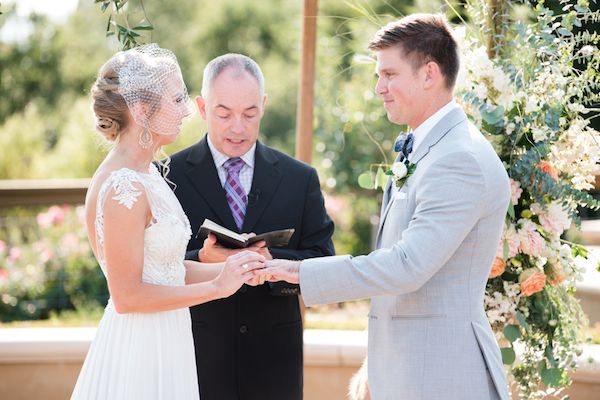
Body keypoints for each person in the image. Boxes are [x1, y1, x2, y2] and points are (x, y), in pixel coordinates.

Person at [258, 13, 511, 400]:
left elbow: (408, 266)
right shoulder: (428, 147)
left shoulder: (459, 159)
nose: (379, 88)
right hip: (407, 373)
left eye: (389, 75)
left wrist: (300, 271)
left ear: (429, 74)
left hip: (442, 378)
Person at [71, 44, 265, 400]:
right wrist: (216, 288)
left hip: (168, 337)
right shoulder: (122, 185)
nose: (187, 111)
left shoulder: (148, 174)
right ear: (142, 110)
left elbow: (166, 270)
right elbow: (127, 296)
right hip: (139, 349)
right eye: (176, 100)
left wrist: (236, 268)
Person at [167, 53, 335, 400]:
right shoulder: (167, 176)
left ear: (264, 105)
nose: (237, 128)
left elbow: (323, 259)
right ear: (201, 107)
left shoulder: (299, 178)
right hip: (195, 355)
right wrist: (203, 257)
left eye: (250, 113)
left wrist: (275, 262)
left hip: (275, 362)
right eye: (224, 113)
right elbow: (149, 266)